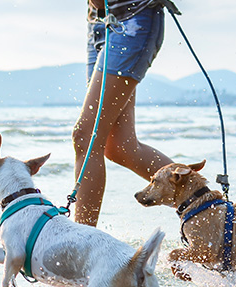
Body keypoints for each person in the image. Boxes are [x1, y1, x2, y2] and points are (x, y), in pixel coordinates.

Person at [71, 0, 176, 227]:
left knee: (85, 136)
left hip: (134, 19)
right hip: (99, 24)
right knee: (120, 148)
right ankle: (209, 206)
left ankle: (80, 243)